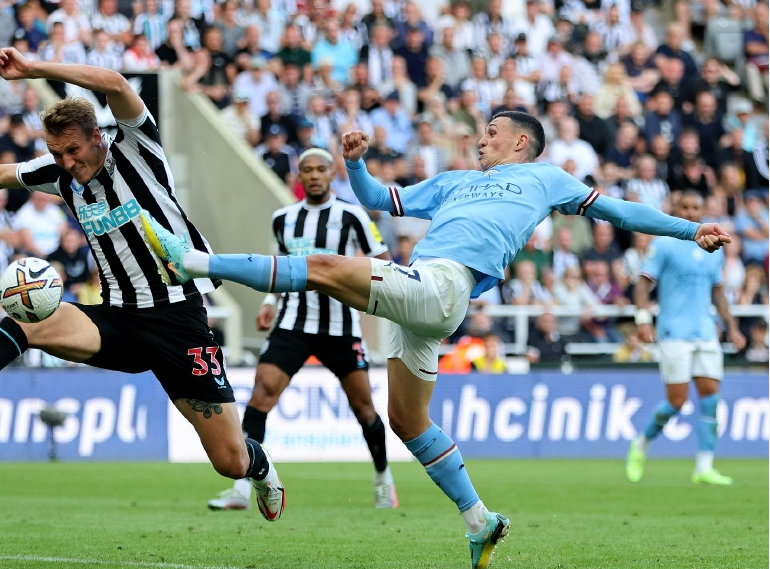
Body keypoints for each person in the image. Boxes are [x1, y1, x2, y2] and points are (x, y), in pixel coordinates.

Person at [140, 111, 732, 569]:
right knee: (408, 421)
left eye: (493, 133)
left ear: (521, 142)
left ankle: (196, 262)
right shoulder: (455, 181)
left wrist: (688, 229)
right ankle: (479, 521)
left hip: (443, 286)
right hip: (419, 301)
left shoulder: (545, 177)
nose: (483, 140)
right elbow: (379, 201)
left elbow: (622, 213)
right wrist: (356, 165)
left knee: (321, 265)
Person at [0, 48, 285, 522]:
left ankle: (263, 466)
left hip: (177, 318)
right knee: (30, 323)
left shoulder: (138, 148)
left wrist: (34, 68)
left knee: (228, 459)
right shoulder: (61, 176)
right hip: (118, 319)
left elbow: (114, 83)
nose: (66, 163)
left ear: (97, 137)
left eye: (73, 150)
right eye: (56, 154)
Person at [207, 148, 398, 513]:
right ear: (299, 176)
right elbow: (277, 270)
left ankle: (383, 480)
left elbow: (383, 263)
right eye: (306, 170)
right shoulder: (283, 219)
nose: (313, 175)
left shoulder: (353, 215)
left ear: (330, 174)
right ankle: (240, 490)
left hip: (341, 327)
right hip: (293, 324)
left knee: (364, 409)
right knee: (260, 396)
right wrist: (267, 305)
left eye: (320, 170)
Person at [626, 191, 747, 486]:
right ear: (676, 209)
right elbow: (642, 286)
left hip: (705, 331)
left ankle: (704, 467)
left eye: (696, 207)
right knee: (677, 402)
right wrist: (643, 319)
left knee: (710, 399)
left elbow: (717, 291)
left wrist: (731, 326)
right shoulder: (664, 244)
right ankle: (641, 444)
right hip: (673, 331)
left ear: (703, 210)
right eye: (685, 207)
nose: (691, 212)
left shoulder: (712, 247)